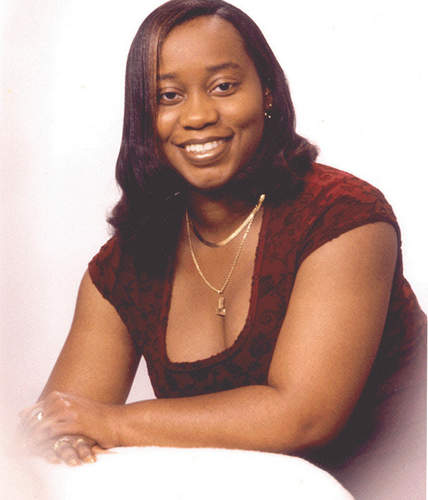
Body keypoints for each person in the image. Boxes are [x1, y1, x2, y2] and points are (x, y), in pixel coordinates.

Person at [19, 0, 426, 497]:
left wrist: (110, 423)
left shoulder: (342, 217)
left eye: (223, 87)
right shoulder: (124, 266)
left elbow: (304, 416)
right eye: (168, 96)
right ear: (145, 116)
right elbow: (60, 423)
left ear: (268, 92)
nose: (198, 116)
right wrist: (60, 434)